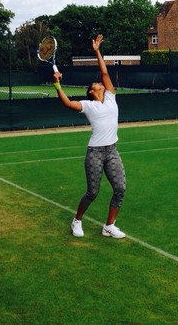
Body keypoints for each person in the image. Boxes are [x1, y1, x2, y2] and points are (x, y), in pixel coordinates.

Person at [52, 35, 127, 239]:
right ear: (92, 92)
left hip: (112, 150)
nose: (100, 83)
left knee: (120, 188)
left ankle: (109, 226)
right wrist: (57, 84)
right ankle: (77, 221)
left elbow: (104, 72)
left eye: (100, 83)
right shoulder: (88, 105)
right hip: (95, 153)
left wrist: (96, 51)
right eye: (96, 84)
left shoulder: (111, 96)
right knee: (92, 192)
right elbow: (67, 103)